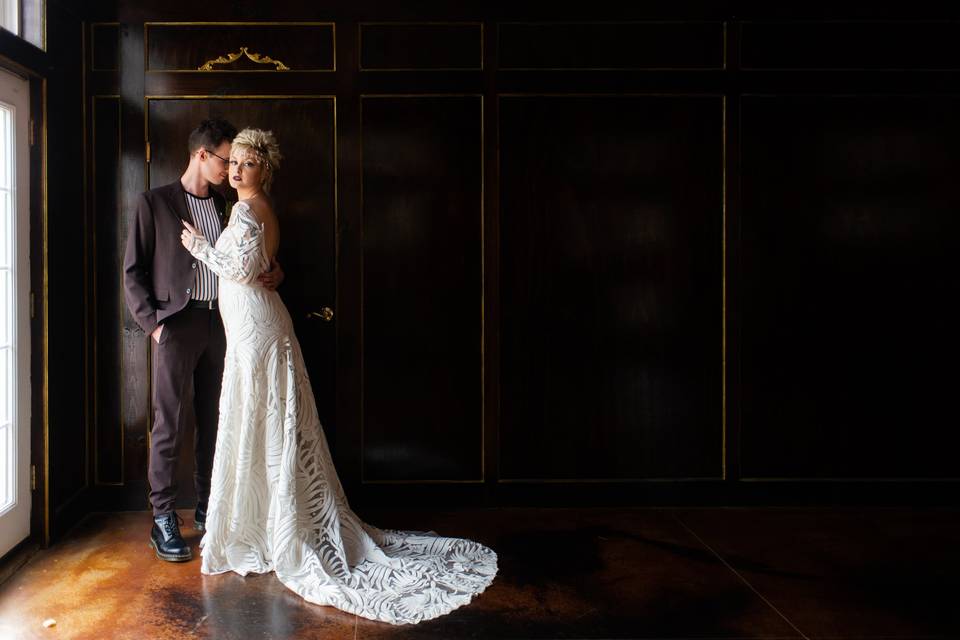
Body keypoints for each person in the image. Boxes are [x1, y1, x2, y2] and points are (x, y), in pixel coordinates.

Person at [179, 128, 497, 624]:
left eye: (249, 163)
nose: (238, 170)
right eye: (234, 162)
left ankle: (274, 530)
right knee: (261, 421)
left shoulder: (247, 208)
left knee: (263, 419)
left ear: (266, 169)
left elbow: (239, 269)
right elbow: (261, 265)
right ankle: (264, 525)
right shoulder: (255, 208)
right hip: (252, 328)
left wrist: (198, 245)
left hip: (257, 331)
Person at [123, 118, 283, 563]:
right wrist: (154, 324)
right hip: (176, 325)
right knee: (168, 423)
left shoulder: (231, 205)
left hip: (225, 325)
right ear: (201, 155)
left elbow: (252, 255)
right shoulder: (154, 203)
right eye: (225, 159)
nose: (230, 168)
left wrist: (276, 269)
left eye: (237, 162)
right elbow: (132, 272)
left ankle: (211, 508)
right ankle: (162, 518)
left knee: (219, 419)